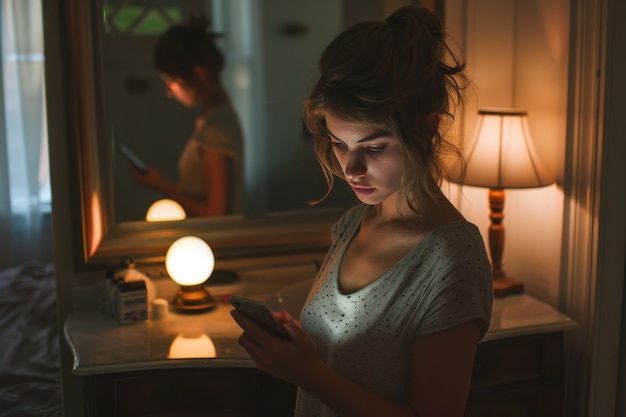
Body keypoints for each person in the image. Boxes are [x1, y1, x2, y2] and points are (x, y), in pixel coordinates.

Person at [231, 5, 492, 417]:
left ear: (427, 127)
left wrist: (308, 372)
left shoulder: (452, 258)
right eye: (338, 143)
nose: (349, 170)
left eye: (372, 148)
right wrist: (299, 350)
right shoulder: (353, 223)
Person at [131, 16, 244, 217]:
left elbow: (216, 213)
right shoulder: (212, 117)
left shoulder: (215, 130)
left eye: (172, 81)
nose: (169, 92)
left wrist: (162, 185)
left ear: (198, 75)